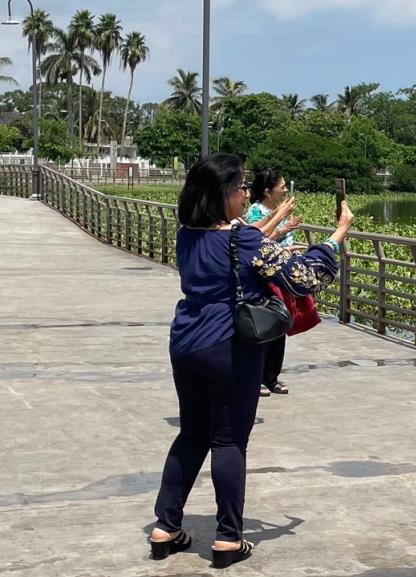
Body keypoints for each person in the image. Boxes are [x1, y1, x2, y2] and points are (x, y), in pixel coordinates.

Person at [149, 153, 354, 568]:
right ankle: (228, 538)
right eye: (240, 187)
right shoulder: (243, 240)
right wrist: (338, 234)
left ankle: (165, 527)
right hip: (229, 344)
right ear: (223, 193)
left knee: (192, 435)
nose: (245, 193)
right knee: (228, 441)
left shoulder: (188, 234)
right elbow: (303, 277)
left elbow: (239, 246)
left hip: (186, 339)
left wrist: (268, 234)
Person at [244, 169, 301, 397]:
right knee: (263, 325)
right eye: (282, 186)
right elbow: (255, 242)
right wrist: (282, 229)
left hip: (282, 272)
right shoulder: (256, 211)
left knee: (280, 323)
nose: (285, 189)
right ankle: (258, 377)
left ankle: (272, 376)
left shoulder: (277, 211)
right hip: (264, 275)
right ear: (268, 191)